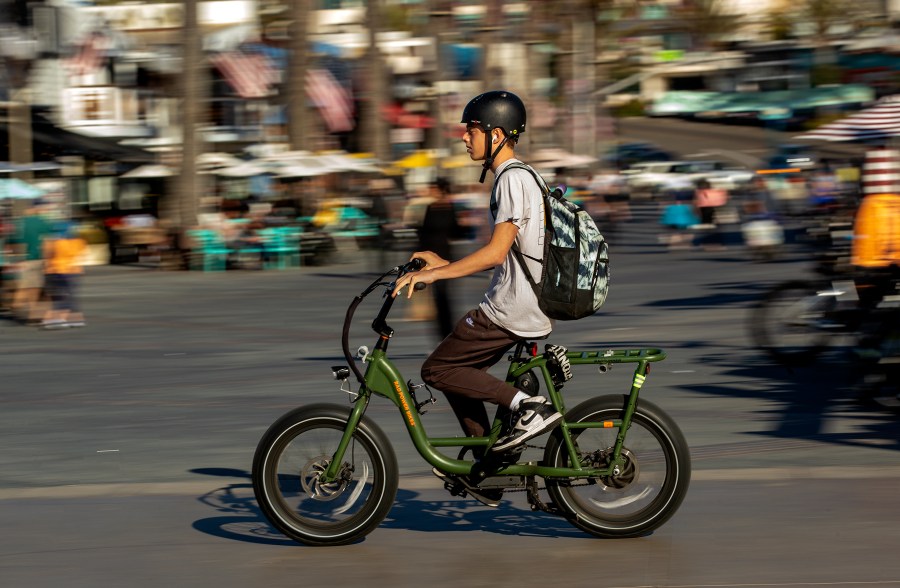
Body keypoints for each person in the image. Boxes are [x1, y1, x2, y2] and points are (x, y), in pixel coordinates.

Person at [392, 90, 561, 507]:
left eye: (471, 130)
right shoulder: (522, 177)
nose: (464, 138)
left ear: (497, 134)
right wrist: (441, 261)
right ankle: (488, 470)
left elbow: (497, 252)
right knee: (458, 371)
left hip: (511, 308)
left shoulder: (512, 178)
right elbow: (509, 256)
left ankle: (528, 407)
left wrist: (434, 274)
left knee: (437, 368)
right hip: (519, 300)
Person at [418, 177, 463, 339]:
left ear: (440, 190)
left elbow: (423, 234)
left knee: (441, 297)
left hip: (437, 256)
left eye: (433, 188)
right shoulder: (448, 208)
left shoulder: (433, 208)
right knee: (442, 297)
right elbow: (456, 232)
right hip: (443, 254)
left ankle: (445, 334)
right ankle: (447, 333)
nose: (431, 191)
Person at [40, 221, 88, 329]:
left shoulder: (55, 242)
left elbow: (48, 255)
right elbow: (81, 255)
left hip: (57, 271)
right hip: (74, 272)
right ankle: (76, 319)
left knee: (59, 297)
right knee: (70, 296)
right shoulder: (79, 242)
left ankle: (54, 319)